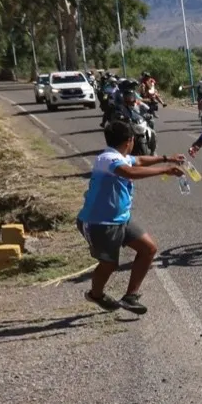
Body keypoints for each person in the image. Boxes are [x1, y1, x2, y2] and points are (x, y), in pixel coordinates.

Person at [76, 121, 185, 314]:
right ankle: (96, 295)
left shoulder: (120, 156)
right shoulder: (107, 159)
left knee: (149, 249)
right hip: (99, 222)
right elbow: (130, 172)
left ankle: (130, 297)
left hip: (120, 219)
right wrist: (165, 170)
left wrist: (167, 158)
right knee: (109, 264)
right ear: (130, 141)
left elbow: (139, 161)